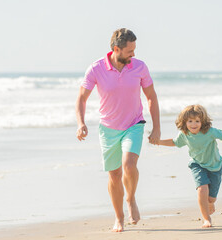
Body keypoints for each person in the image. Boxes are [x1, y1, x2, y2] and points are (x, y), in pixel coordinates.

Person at [76, 28, 160, 232]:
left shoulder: (139, 67)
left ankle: (131, 199)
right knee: (114, 175)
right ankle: (119, 218)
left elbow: (151, 97)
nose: (133, 55)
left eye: (134, 50)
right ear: (116, 49)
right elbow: (81, 98)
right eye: (130, 51)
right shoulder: (96, 68)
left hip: (134, 124)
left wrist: (156, 127)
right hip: (108, 129)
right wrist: (81, 123)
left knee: (129, 165)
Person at [158, 104, 222, 228]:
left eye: (197, 121)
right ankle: (206, 219)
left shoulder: (210, 132)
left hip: (215, 166)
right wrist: (159, 142)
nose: (193, 124)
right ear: (184, 122)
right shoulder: (184, 134)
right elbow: (174, 142)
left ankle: (210, 203)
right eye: (190, 121)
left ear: (203, 122)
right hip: (197, 164)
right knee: (202, 189)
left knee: (211, 199)